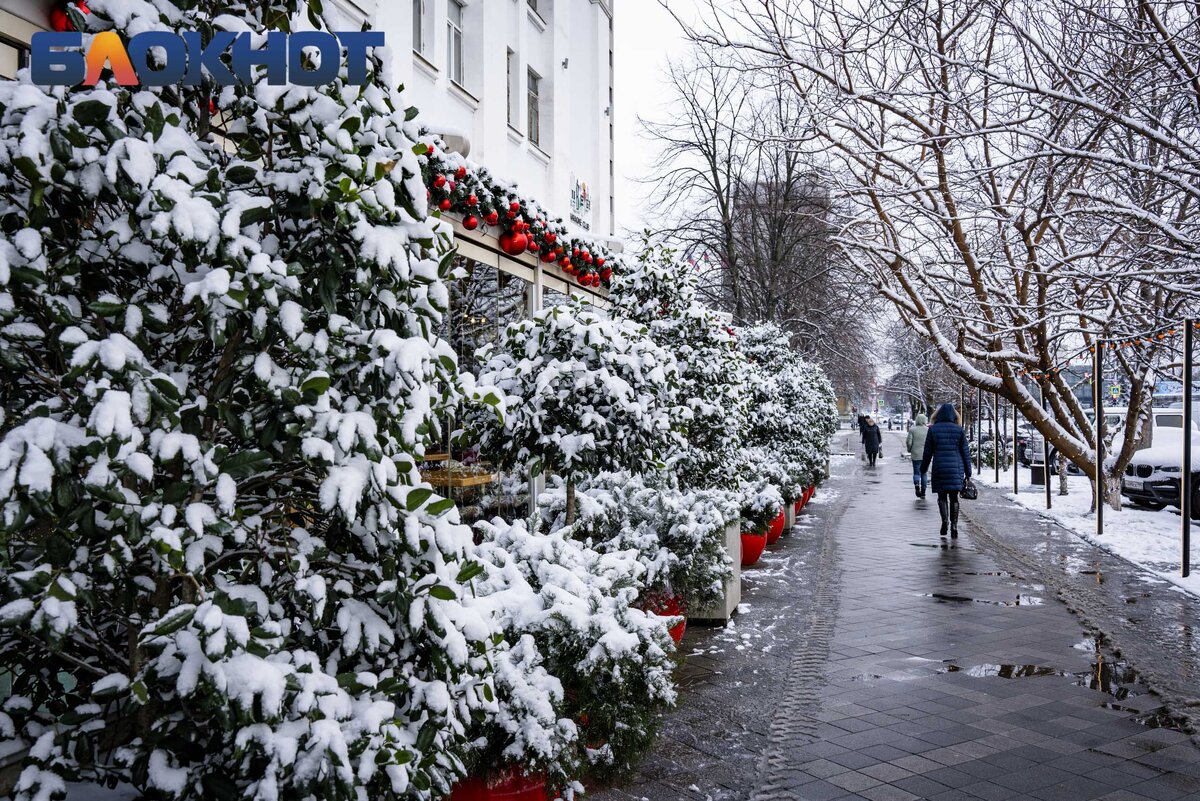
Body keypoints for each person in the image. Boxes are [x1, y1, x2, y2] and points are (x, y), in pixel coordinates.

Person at [920, 403, 972, 538]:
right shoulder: (959, 430)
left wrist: (923, 468)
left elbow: (927, 452)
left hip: (940, 468)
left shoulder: (933, 430)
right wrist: (968, 472)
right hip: (956, 469)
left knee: (942, 497)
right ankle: (954, 525)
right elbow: (965, 452)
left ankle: (944, 522)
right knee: (954, 498)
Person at [906, 413, 930, 498]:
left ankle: (916, 485)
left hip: (915, 454)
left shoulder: (912, 430)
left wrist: (910, 450)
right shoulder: (928, 430)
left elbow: (909, 442)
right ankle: (923, 492)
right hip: (926, 455)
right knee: (924, 473)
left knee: (916, 472)